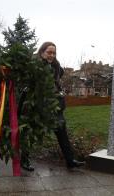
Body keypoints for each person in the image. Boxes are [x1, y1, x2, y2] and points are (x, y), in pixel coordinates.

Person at [20, 42, 85, 171]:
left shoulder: (56, 66)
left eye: (54, 53)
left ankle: (70, 160)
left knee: (61, 129)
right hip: (36, 104)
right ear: (42, 52)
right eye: (49, 52)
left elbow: (57, 82)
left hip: (53, 104)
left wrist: (58, 92)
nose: (51, 55)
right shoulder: (35, 66)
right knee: (31, 132)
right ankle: (24, 160)